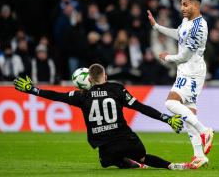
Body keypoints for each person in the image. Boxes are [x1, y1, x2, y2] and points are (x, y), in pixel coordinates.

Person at [14, 63, 190, 170]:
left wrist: (32, 89)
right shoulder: (117, 89)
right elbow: (141, 107)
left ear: (89, 80)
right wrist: (166, 119)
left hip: (105, 145)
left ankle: (133, 163)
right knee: (142, 156)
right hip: (128, 139)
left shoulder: (81, 96)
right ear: (105, 76)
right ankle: (170, 165)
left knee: (105, 162)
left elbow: (55, 96)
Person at [147, 0, 214, 168]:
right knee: (189, 115)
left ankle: (204, 131)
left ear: (196, 5)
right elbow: (179, 34)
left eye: (186, 5)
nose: (182, 8)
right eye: (181, 4)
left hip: (191, 71)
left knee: (170, 103)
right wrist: (157, 27)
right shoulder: (187, 22)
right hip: (185, 70)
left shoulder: (199, 27)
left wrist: (167, 57)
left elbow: (185, 55)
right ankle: (199, 156)